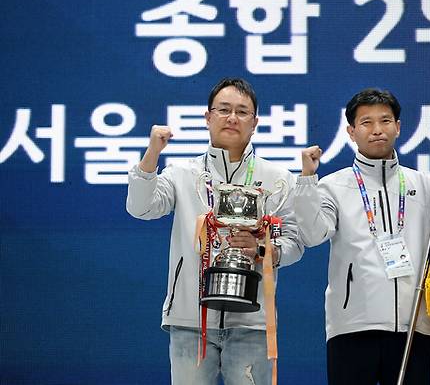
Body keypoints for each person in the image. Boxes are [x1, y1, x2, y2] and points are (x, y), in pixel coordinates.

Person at [126, 77, 304, 385]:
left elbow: (295, 243)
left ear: (255, 122)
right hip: (190, 319)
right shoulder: (183, 174)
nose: (232, 118)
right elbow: (140, 208)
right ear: (208, 118)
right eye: (223, 110)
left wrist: (261, 249)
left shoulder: (278, 180)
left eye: (242, 111)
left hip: (252, 320)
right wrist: (152, 153)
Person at [293, 88, 430, 385]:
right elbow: (312, 234)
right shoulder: (332, 186)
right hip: (352, 326)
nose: (377, 130)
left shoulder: (422, 184)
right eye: (366, 123)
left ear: (399, 127)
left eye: (385, 121)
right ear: (351, 132)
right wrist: (306, 180)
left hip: (412, 326)